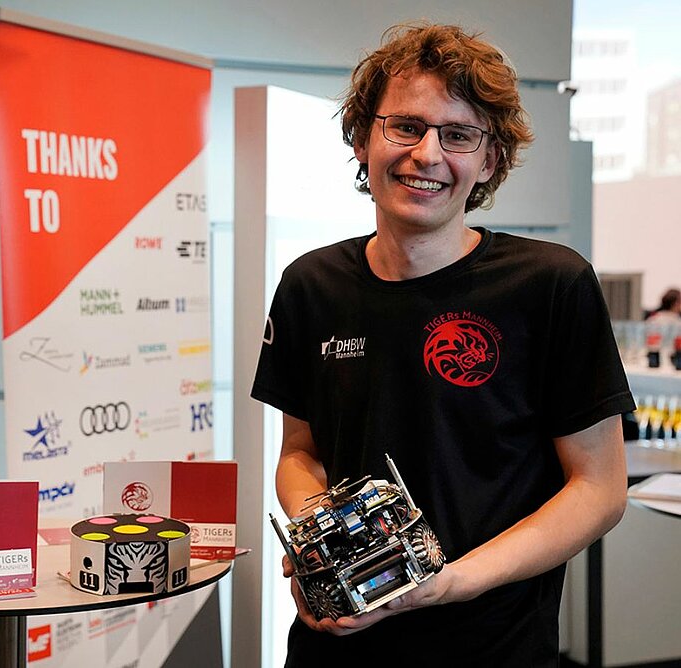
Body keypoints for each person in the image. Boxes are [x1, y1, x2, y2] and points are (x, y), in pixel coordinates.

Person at [251, 23, 635, 667]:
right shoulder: (309, 285)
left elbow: (599, 489)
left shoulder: (550, 284)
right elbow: (300, 452)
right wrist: (325, 532)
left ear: (489, 161)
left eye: (458, 135)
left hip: (495, 647)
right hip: (337, 643)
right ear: (361, 138)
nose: (427, 154)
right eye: (405, 126)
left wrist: (451, 582)